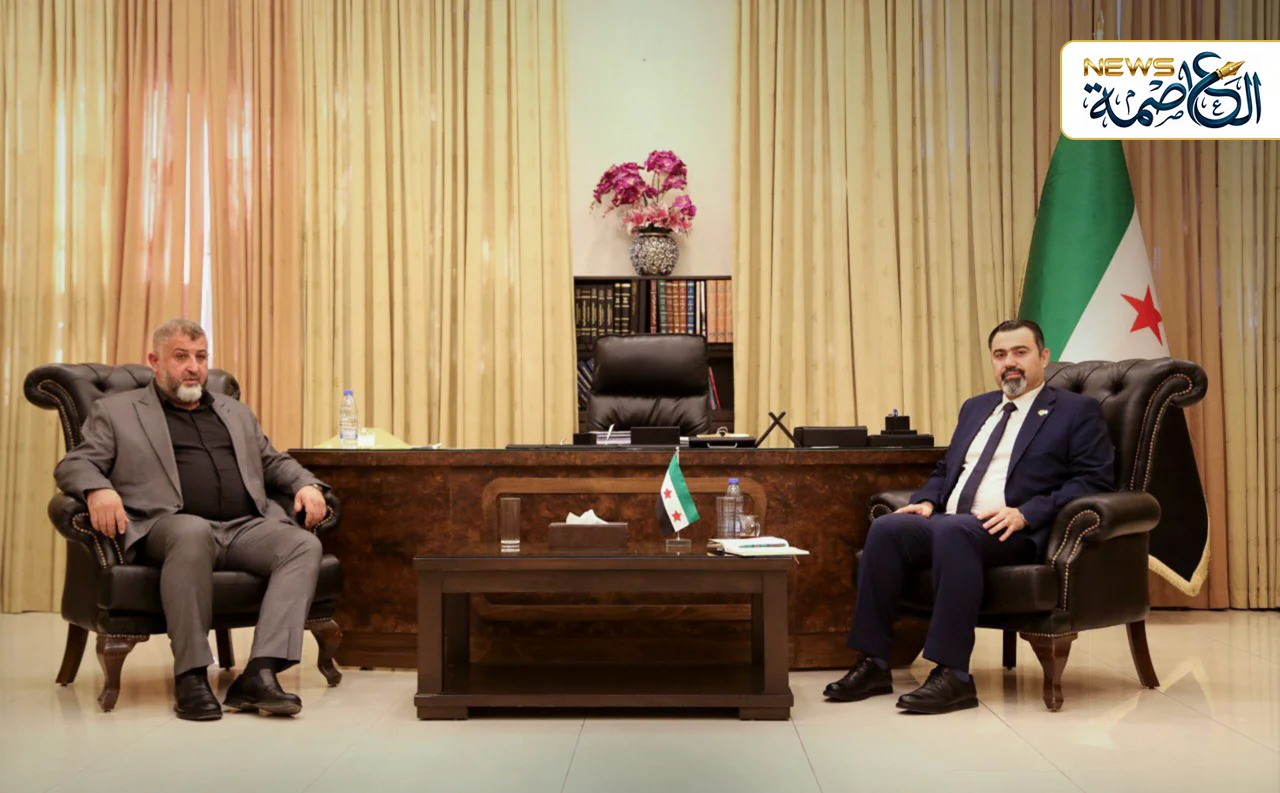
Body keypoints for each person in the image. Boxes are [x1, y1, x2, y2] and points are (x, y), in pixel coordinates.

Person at [824, 319, 1114, 714]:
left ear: (1044, 357)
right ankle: (873, 663)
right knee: (888, 527)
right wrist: (928, 501)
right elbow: (947, 469)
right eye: (1000, 355)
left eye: (1020, 352)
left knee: (955, 531)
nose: (1009, 363)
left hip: (1013, 531)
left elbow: (1094, 479)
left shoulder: (1075, 411)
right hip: (953, 523)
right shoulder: (976, 407)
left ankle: (953, 675)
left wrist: (1026, 513)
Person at [55, 319, 330, 721]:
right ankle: (191, 674)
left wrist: (306, 484)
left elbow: (273, 462)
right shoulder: (117, 412)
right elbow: (74, 464)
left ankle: (260, 673)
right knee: (193, 530)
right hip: (168, 525)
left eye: (201, 357)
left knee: (302, 545)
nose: (193, 367)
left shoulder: (235, 412)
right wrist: (97, 489)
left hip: (242, 527)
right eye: (181, 357)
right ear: (155, 361)